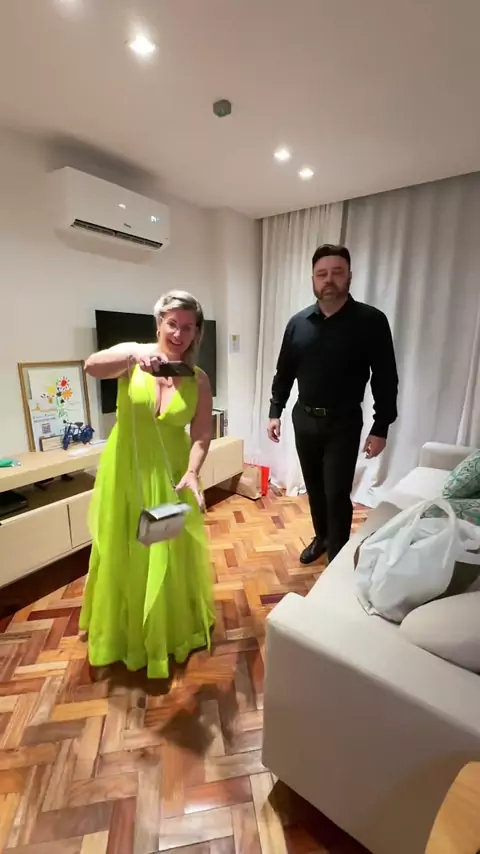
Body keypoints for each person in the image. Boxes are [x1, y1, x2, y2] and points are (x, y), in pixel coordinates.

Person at [81, 290, 214, 679]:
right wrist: (133, 355)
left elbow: (202, 433)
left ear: (196, 332)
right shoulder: (132, 358)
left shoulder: (197, 379)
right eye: (172, 324)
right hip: (125, 472)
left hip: (171, 477)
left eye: (187, 327)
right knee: (123, 547)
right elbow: (91, 366)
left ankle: (163, 633)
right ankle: (121, 632)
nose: (178, 334)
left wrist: (193, 472)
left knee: (165, 553)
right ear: (159, 324)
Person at [267, 244, 398, 564]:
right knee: (314, 487)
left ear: (349, 276)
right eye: (321, 274)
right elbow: (284, 372)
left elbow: (385, 377)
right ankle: (322, 537)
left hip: (344, 422)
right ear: (313, 279)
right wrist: (275, 410)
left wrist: (381, 427)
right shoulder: (298, 323)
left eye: (337, 272)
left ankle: (338, 554)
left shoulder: (371, 321)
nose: (329, 280)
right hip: (304, 418)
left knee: (337, 492)